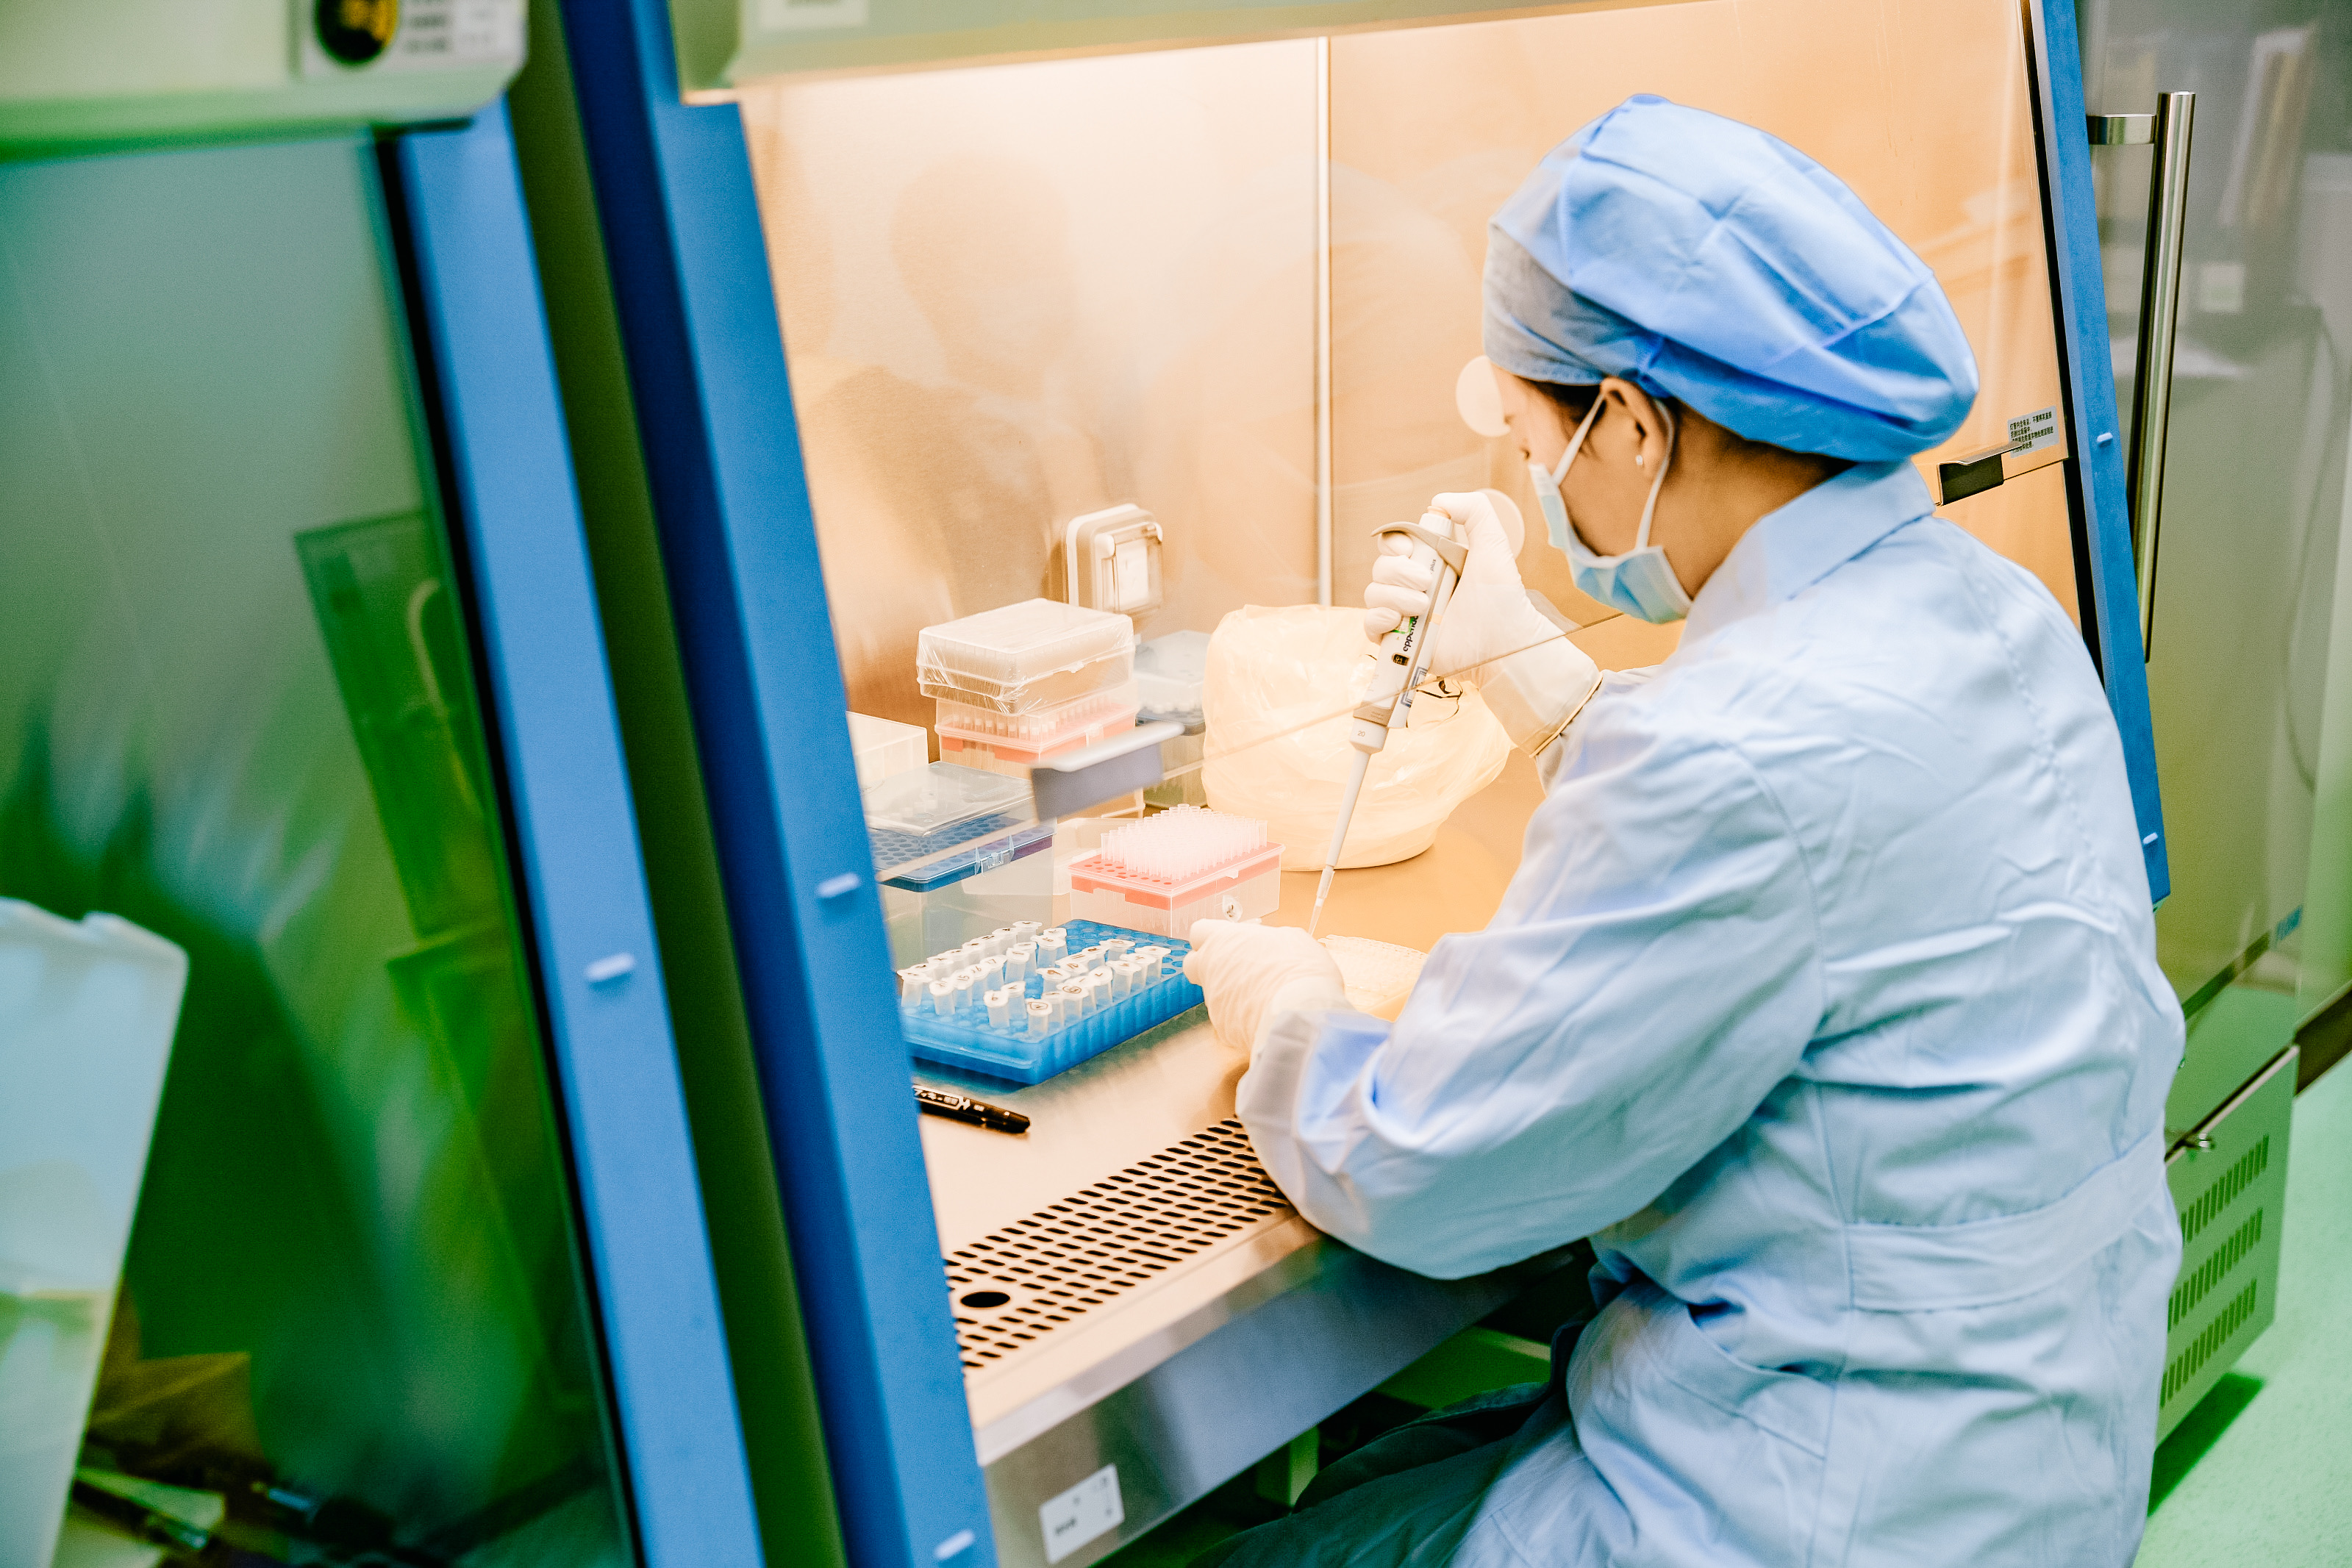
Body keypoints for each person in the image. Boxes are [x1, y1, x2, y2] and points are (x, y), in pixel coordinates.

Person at [1182, 95, 2183, 1567]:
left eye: (1533, 439)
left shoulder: (1727, 753)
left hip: (1808, 1504)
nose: (1535, 483)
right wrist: (1531, 670)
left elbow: (1423, 1163)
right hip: (2016, 1456)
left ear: (1634, 426)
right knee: (1384, 1479)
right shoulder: (1995, 611)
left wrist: (1291, 1010)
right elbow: (1812, 841)